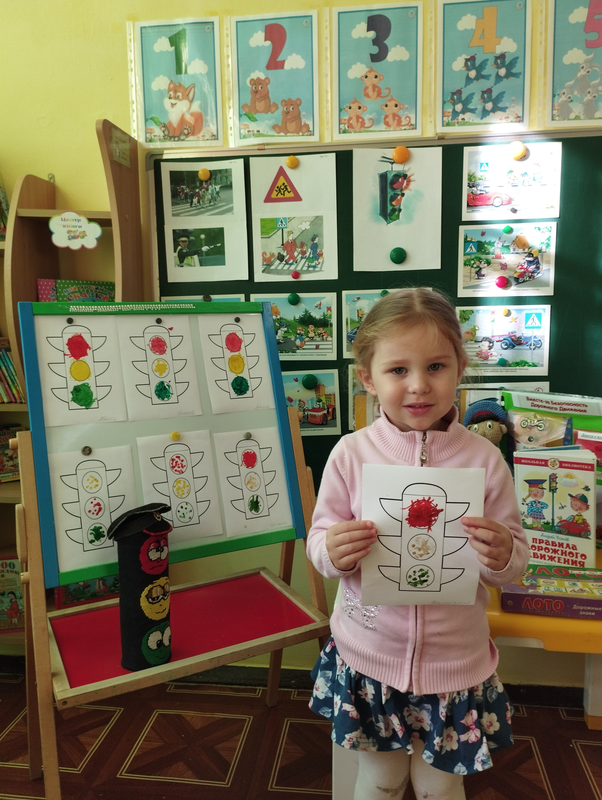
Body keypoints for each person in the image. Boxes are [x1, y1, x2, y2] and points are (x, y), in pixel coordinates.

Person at [306, 288, 529, 800]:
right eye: (398, 370)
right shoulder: (350, 454)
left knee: (438, 789)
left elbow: (513, 556)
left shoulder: (485, 460)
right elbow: (320, 539)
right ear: (368, 378)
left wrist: (503, 555)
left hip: (455, 666)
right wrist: (331, 551)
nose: (419, 385)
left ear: (460, 368)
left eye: (436, 366)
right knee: (380, 781)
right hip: (369, 657)